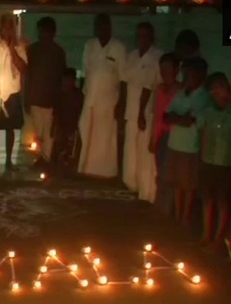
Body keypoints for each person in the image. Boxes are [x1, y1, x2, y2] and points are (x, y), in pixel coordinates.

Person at [77, 13, 126, 179]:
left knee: (106, 138)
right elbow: (84, 73)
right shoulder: (89, 45)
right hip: (89, 99)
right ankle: (86, 170)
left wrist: (121, 104)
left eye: (105, 25)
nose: (101, 29)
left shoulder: (118, 47)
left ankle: (106, 173)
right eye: (98, 26)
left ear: (110, 27)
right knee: (87, 134)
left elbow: (123, 79)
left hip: (109, 102)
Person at [164, 56, 210, 225]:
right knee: (177, 183)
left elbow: (190, 120)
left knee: (188, 185)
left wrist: (177, 117)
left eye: (189, 73)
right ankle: (178, 215)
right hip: (174, 143)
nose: (186, 76)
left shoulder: (203, 97)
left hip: (190, 147)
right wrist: (179, 118)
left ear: (200, 75)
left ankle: (185, 216)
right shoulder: (181, 93)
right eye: (185, 73)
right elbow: (166, 116)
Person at [122, 22, 162, 202]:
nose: (142, 39)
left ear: (151, 37)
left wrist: (141, 114)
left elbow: (152, 86)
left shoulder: (158, 57)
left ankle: (147, 192)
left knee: (145, 153)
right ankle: (131, 185)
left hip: (147, 113)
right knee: (130, 150)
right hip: (131, 110)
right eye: (139, 35)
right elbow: (124, 82)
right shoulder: (131, 56)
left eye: (145, 35)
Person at [0, 13, 27, 171]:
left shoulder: (19, 46)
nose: (8, 30)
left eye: (11, 27)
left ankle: (9, 161)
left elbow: (23, 68)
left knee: (11, 128)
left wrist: (12, 49)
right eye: (6, 26)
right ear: (0, 27)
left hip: (12, 92)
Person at [196, 73, 231, 252]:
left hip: (225, 163)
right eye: (214, 88)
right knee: (207, 199)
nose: (217, 91)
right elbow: (202, 135)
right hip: (208, 161)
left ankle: (219, 238)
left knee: (222, 201)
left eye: (221, 87)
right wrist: (202, 159)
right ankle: (206, 234)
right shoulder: (207, 112)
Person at [25, 17, 66, 163]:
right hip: (36, 97)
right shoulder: (33, 50)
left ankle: (46, 159)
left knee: (48, 133)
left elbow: (61, 78)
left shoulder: (58, 53)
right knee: (38, 133)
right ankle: (40, 158)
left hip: (50, 100)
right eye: (41, 31)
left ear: (52, 33)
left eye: (45, 31)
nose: (42, 34)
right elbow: (28, 74)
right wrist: (27, 97)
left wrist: (59, 102)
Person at [150, 53, 181, 215]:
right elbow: (156, 115)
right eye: (162, 68)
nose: (164, 71)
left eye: (168, 68)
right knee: (160, 173)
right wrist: (153, 138)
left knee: (170, 175)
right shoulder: (159, 89)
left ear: (176, 70)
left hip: (175, 137)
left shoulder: (180, 91)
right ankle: (160, 207)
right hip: (162, 136)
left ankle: (168, 210)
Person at [51, 68, 84, 170]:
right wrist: (53, 128)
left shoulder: (78, 96)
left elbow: (80, 112)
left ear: (73, 81)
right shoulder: (59, 95)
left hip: (73, 128)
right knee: (57, 150)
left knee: (70, 152)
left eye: (68, 81)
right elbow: (55, 113)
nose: (66, 83)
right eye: (64, 80)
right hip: (61, 128)